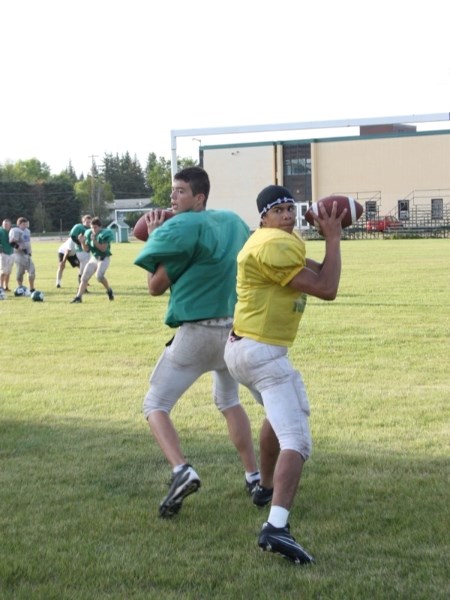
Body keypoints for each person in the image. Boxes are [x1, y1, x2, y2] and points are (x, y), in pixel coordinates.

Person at [224, 185, 346, 565]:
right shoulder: (273, 243)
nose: (289, 215)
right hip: (261, 352)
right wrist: (334, 238)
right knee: (297, 440)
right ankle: (276, 527)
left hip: (245, 349)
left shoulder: (273, 241)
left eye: (292, 208)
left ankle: (264, 486)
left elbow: (319, 272)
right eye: (279, 210)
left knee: (279, 421)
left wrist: (328, 239)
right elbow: (327, 288)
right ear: (264, 217)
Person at [134, 166, 260, 518]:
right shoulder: (233, 221)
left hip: (197, 332)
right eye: (173, 191)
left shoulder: (181, 227)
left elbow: (155, 287)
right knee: (229, 401)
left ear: (199, 197)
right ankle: (253, 475)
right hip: (233, 328)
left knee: (155, 403)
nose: (173, 197)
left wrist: (159, 239)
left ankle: (180, 469)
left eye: (180, 191)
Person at [70, 217, 114, 303]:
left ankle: (109, 290)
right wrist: (82, 242)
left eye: (95, 227)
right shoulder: (88, 233)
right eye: (92, 227)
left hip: (103, 258)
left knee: (99, 276)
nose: (93, 229)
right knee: (84, 277)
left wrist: (94, 241)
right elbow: (86, 249)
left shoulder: (106, 233)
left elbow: (103, 249)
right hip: (94, 258)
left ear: (100, 227)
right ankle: (78, 297)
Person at [9, 217, 36, 292]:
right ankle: (20, 287)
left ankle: (32, 288)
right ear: (19, 224)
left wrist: (29, 251)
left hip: (27, 254)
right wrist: (18, 247)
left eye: (26, 224)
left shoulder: (27, 231)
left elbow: (28, 242)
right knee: (20, 272)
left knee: (32, 271)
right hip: (18, 255)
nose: (25, 226)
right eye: (23, 224)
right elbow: (11, 243)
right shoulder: (15, 231)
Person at [69, 214, 92, 285]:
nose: (88, 224)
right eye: (87, 222)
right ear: (83, 221)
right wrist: (81, 244)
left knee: (84, 269)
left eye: (90, 222)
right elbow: (72, 236)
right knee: (85, 269)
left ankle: (82, 286)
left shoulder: (91, 229)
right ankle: (82, 286)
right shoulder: (79, 227)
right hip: (81, 251)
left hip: (87, 251)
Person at [0, 219, 14, 291]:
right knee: (3, 271)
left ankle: (6, 286)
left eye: (7, 224)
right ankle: (1, 287)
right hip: (3, 253)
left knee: (8, 271)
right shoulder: (0, 231)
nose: (5, 225)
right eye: (4, 224)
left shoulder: (12, 231)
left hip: (11, 253)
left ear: (10, 225)